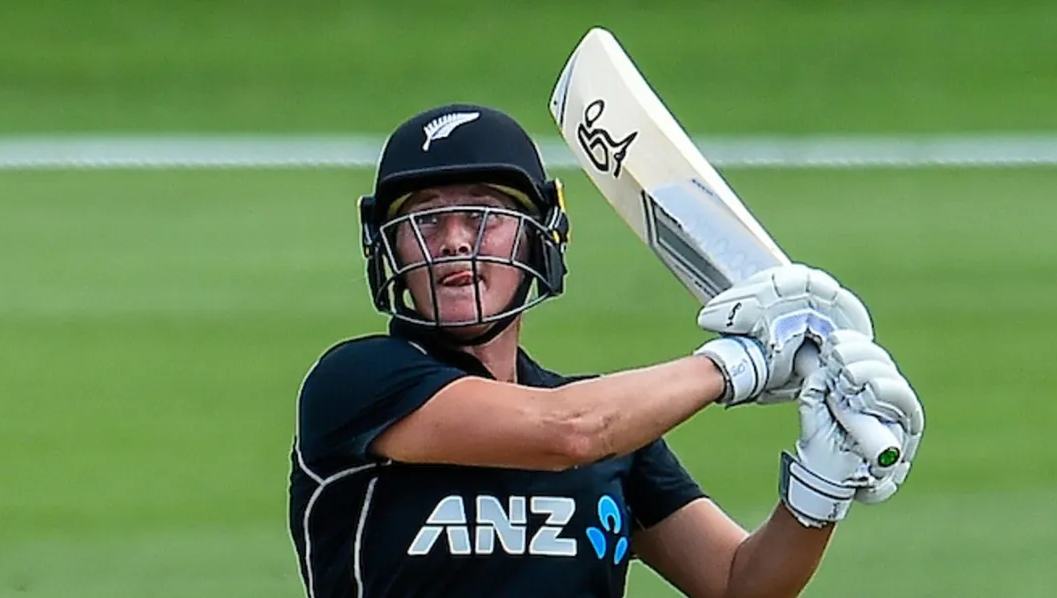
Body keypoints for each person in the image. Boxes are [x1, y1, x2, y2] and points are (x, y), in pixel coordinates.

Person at [288, 103, 925, 598]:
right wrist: (741, 363)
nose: (455, 239)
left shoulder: (620, 432)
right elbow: (567, 432)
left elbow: (739, 582)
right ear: (389, 248)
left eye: (484, 213)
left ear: (539, 238)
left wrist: (817, 493)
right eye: (425, 218)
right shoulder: (357, 385)